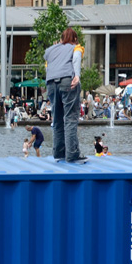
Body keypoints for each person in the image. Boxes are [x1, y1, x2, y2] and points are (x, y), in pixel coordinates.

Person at [45, 28, 85, 163]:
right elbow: (76, 59)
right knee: (70, 118)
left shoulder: (50, 50)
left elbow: (47, 66)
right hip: (67, 80)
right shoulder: (75, 47)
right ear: (74, 39)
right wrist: (77, 76)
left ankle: (59, 153)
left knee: (57, 119)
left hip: (51, 83)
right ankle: (72, 154)